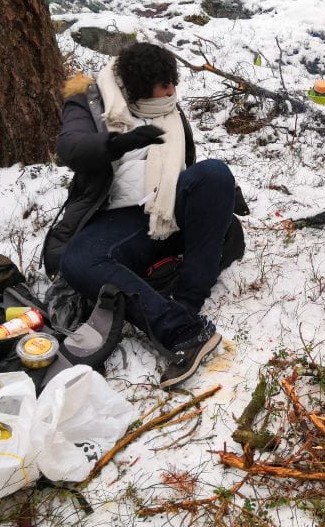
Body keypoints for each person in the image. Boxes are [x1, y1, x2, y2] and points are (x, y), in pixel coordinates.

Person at [42, 42, 235, 389]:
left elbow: (185, 165)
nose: (172, 92)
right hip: (120, 218)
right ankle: (182, 331)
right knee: (79, 260)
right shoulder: (89, 99)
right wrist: (118, 143)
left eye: (173, 83)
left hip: (167, 206)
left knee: (215, 174)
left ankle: (187, 304)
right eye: (164, 85)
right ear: (137, 85)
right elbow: (69, 149)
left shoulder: (166, 104)